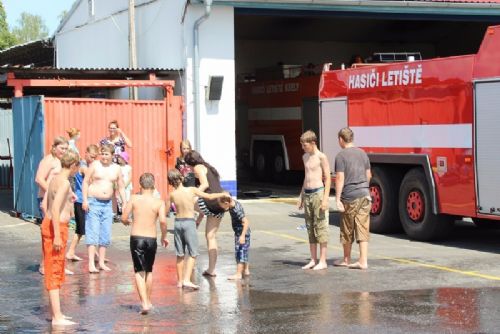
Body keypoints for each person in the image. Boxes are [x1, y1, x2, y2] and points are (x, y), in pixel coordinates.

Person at [167, 169, 229, 289]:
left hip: (178, 223)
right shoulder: (191, 190)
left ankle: (180, 281)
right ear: (181, 178)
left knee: (180, 254)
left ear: (170, 182)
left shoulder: (172, 194)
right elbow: (209, 196)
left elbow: (165, 211)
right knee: (192, 253)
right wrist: (222, 194)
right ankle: (186, 279)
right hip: (189, 223)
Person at [41, 149, 79, 326]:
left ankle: (55, 314)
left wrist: (70, 198)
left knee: (56, 268)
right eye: (77, 167)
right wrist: (56, 234)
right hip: (55, 228)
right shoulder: (63, 182)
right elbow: (54, 209)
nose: (78, 170)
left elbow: (47, 203)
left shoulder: (56, 178)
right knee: (54, 270)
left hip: (51, 225)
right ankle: (57, 317)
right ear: (72, 165)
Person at [121, 173, 168, 314]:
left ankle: (144, 304)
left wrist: (126, 221)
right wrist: (164, 236)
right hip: (151, 239)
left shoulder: (134, 199)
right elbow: (163, 222)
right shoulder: (159, 202)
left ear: (140, 185)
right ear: (153, 186)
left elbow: (124, 217)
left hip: (137, 238)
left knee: (138, 271)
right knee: (149, 270)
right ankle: (148, 300)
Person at [82, 143, 127, 273]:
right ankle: (91, 263)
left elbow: (121, 186)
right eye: (102, 153)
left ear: (112, 155)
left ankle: (101, 262)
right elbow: (85, 182)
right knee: (92, 232)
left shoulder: (116, 169)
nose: (103, 156)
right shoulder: (95, 165)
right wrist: (85, 200)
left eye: (106, 154)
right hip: (93, 202)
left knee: (105, 233)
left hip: (107, 204)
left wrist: (124, 202)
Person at [334, 127, 372, 270]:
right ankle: (363, 261)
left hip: (349, 196)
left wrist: (337, 199)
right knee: (362, 228)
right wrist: (364, 189)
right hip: (364, 195)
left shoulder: (341, 156)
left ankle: (346, 259)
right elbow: (369, 175)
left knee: (347, 228)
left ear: (341, 139)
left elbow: (339, 178)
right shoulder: (363, 153)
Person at [184, 151, 227, 277]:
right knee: (210, 236)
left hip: (210, 201)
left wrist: (193, 192)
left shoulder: (198, 167)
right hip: (220, 204)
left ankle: (187, 226)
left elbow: (205, 184)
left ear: (190, 163)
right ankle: (211, 269)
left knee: (186, 202)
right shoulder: (209, 167)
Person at [297, 130, 331, 271]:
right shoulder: (305, 157)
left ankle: (323, 260)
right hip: (308, 193)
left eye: (305, 145)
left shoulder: (321, 157)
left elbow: (327, 178)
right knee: (310, 226)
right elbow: (306, 177)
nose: (303, 148)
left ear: (313, 143)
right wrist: (301, 196)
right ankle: (313, 259)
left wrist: (325, 199)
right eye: (302, 145)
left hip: (318, 193)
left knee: (321, 226)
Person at [35, 136, 69, 275]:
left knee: (59, 230)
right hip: (46, 199)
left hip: (58, 199)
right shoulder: (48, 160)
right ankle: (45, 264)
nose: (64, 151)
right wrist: (51, 191)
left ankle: (58, 263)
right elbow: (38, 179)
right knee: (50, 233)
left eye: (66, 149)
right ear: (54, 147)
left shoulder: (61, 161)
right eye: (62, 148)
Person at [66, 144, 99, 262]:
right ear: (86, 154)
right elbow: (92, 181)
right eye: (92, 157)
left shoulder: (87, 166)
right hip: (80, 200)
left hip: (84, 200)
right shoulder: (84, 167)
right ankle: (71, 252)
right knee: (81, 229)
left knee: (84, 229)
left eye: (95, 157)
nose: (94, 159)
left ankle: (92, 254)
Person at [220, 196, 251, 280]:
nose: (221, 207)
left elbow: (246, 221)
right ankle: (246, 270)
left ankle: (238, 274)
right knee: (244, 250)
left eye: (221, 205)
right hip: (242, 232)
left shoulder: (236, 210)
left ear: (226, 203)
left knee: (239, 252)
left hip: (241, 232)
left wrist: (242, 236)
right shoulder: (232, 203)